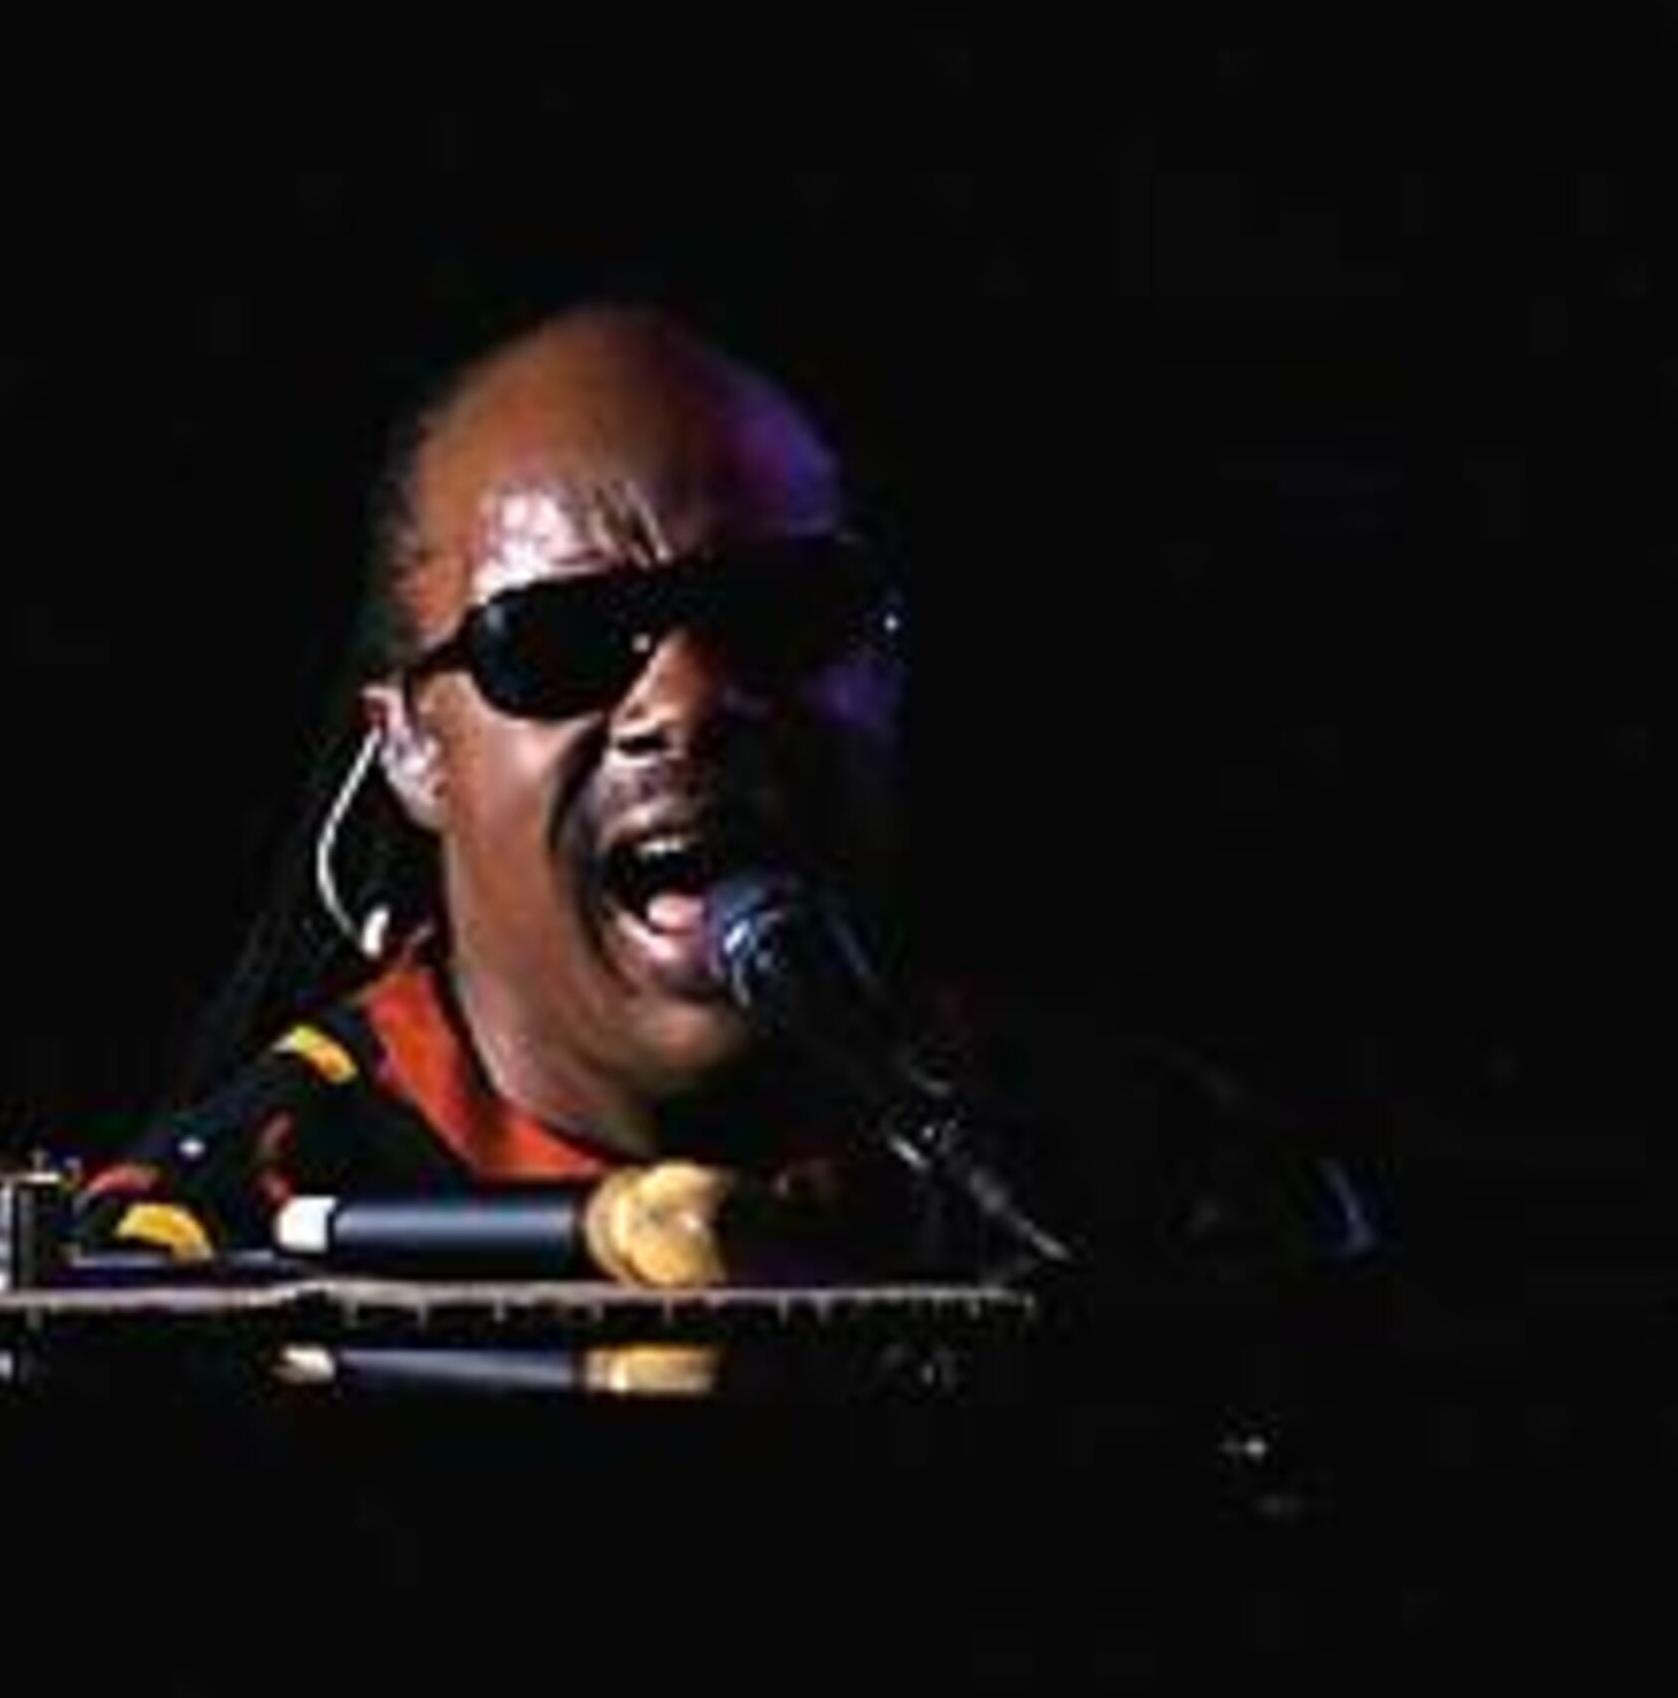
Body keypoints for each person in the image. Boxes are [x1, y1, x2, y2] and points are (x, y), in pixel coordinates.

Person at [73, 298, 1372, 1291]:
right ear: (416, 751)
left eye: (783, 612)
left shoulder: (1168, 1184)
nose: (690, 700)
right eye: (565, 643)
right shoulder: (204, 1249)